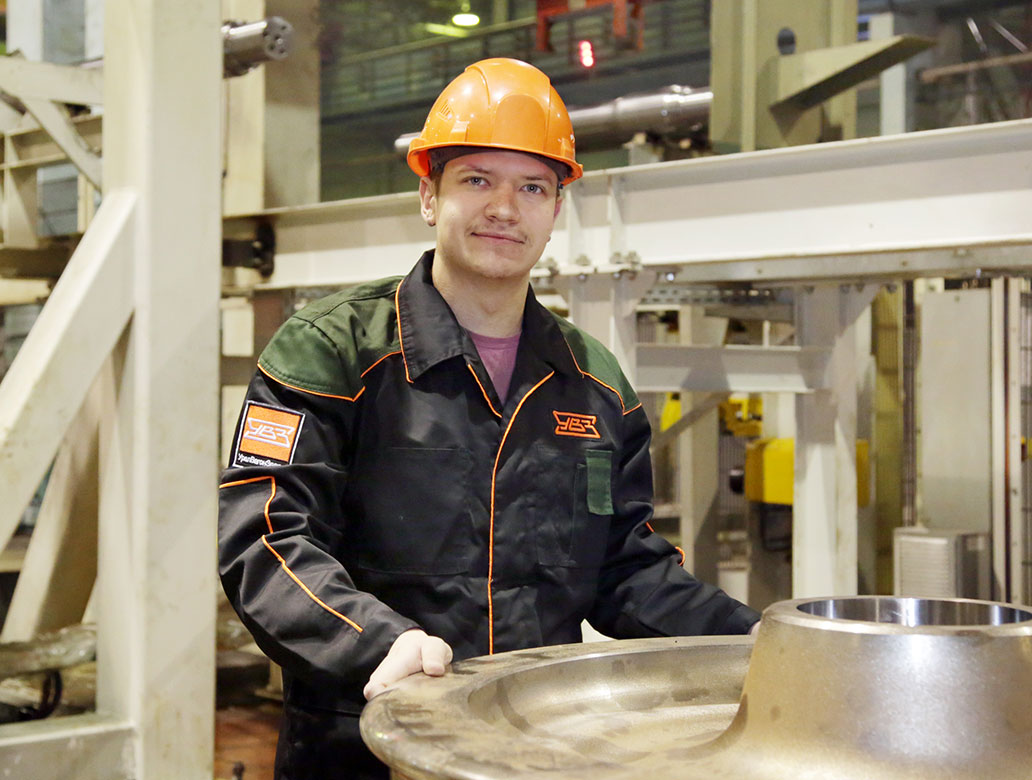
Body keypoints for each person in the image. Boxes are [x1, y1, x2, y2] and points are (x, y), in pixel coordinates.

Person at [218, 57, 760, 780]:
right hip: (363, 746)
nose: (505, 209)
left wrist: (761, 644)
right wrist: (378, 641)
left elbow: (626, 570)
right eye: (477, 180)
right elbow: (266, 539)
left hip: (536, 750)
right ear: (428, 194)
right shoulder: (331, 352)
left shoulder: (594, 384)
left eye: (532, 187)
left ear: (556, 210)